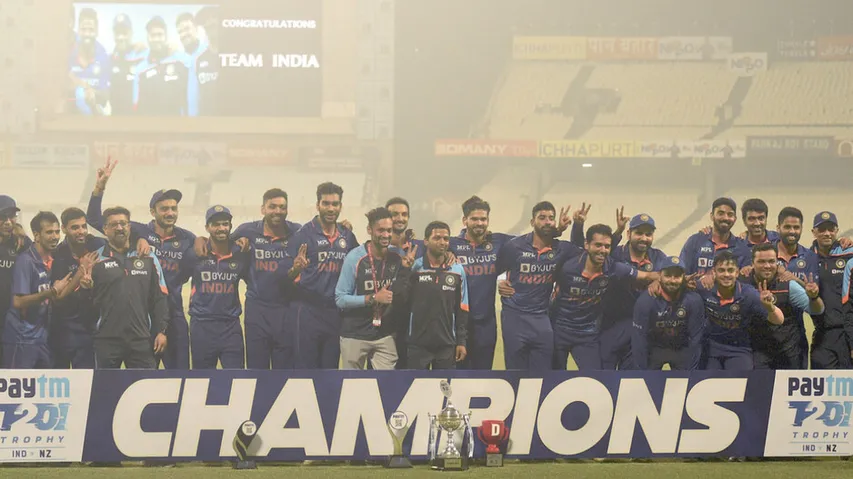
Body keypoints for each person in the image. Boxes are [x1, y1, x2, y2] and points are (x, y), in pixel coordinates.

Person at [87, 158, 194, 369]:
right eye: (164, 208)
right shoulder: (140, 231)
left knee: (178, 373)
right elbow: (95, 219)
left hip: (172, 312)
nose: (170, 213)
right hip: (141, 317)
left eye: (173, 208)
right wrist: (100, 187)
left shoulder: (188, 238)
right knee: (144, 373)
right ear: (153, 212)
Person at [550, 224, 658, 370]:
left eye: (607, 246)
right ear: (587, 245)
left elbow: (646, 276)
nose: (602, 250)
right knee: (554, 378)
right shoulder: (567, 266)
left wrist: (659, 279)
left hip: (587, 335)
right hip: (559, 331)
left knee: (596, 379)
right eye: (598, 245)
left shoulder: (614, 268)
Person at [495, 201, 576, 370]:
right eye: (542, 218)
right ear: (532, 222)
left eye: (551, 218)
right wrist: (500, 282)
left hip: (541, 318)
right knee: (515, 373)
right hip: (514, 316)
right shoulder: (514, 246)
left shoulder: (561, 249)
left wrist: (578, 224)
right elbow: (495, 270)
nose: (547, 221)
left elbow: (584, 252)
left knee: (542, 374)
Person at [285, 182, 358, 369]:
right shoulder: (303, 235)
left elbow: (359, 265)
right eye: (326, 203)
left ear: (340, 206)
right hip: (307, 310)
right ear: (318, 205)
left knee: (330, 369)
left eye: (335, 204)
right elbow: (285, 277)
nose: (331, 208)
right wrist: (296, 269)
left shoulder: (347, 236)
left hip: (335, 313)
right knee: (305, 370)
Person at [86, 206, 168, 369]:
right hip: (107, 340)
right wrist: (86, 288)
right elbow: (88, 302)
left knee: (146, 383)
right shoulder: (95, 259)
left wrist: (161, 331)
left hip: (141, 339)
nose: (119, 228)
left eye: (123, 223)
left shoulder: (148, 257)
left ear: (129, 227)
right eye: (114, 224)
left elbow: (160, 296)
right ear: (105, 229)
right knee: (106, 384)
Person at [335, 207, 416, 370]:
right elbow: (340, 298)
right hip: (355, 333)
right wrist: (372, 298)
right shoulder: (355, 258)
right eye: (381, 230)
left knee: (386, 382)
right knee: (352, 383)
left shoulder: (397, 257)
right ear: (369, 230)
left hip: (384, 335)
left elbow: (401, 293)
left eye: (389, 230)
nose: (386, 235)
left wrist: (406, 269)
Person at [4, 212, 83, 368]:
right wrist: (52, 291)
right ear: (37, 235)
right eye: (49, 232)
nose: (55, 237)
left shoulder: (53, 260)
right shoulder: (26, 261)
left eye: (57, 232)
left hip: (43, 338)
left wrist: (80, 273)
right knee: (20, 383)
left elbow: (57, 295)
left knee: (45, 383)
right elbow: (18, 302)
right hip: (21, 338)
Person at [450, 196, 513, 370]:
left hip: (486, 323)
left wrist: (508, 280)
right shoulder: (452, 245)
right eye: (474, 219)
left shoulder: (499, 242)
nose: (480, 223)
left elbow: (529, 245)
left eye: (483, 219)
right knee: (458, 376)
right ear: (465, 220)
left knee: (484, 375)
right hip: (457, 323)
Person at [599, 213, 668, 370]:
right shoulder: (615, 254)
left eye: (648, 234)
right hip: (611, 326)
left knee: (631, 378)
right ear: (629, 234)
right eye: (639, 233)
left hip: (640, 329)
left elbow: (672, 277)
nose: (644, 238)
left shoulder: (658, 257)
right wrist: (651, 277)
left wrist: (659, 280)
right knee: (605, 377)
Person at [696, 250, 784, 370]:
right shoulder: (704, 288)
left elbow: (779, 320)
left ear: (737, 272)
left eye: (730, 270)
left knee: (741, 378)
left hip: (739, 349)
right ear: (714, 272)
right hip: (711, 348)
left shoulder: (748, 294)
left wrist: (770, 307)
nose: (726, 274)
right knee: (708, 379)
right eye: (721, 270)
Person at [743, 243, 823, 369]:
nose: (767, 266)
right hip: (757, 353)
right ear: (752, 263)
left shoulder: (788, 285)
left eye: (771, 261)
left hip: (789, 352)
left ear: (777, 263)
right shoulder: (743, 285)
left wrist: (814, 297)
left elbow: (817, 310)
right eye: (761, 262)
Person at [187, 206, 249, 369]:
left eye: (225, 224)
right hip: (202, 325)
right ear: (207, 227)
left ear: (230, 226)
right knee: (202, 378)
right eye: (216, 224)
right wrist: (198, 239)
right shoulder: (196, 253)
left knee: (236, 377)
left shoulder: (240, 253)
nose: (221, 228)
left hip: (230, 326)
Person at [402, 221, 469, 370]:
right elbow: (402, 301)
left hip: (446, 345)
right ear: (426, 241)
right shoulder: (415, 267)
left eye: (446, 239)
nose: (442, 242)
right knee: (416, 385)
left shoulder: (457, 270)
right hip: (417, 344)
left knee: (445, 385)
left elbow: (462, 309)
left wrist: (461, 342)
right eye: (437, 238)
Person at [49, 208, 105, 369]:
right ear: (64, 229)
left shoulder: (97, 245)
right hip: (62, 328)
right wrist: (81, 271)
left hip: (89, 327)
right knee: (59, 379)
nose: (81, 231)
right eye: (75, 227)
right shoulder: (57, 254)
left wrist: (140, 239)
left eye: (83, 226)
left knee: (86, 379)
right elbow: (58, 297)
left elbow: (121, 237)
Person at [632, 256, 704, 370]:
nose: (672, 280)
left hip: (681, 348)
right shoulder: (645, 301)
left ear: (683, 277)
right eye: (668, 275)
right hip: (655, 349)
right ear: (659, 276)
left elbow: (696, 339)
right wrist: (641, 373)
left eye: (677, 276)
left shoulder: (693, 300)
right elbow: (639, 339)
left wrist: (692, 373)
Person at [810, 211, 853, 369]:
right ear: (814, 232)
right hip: (823, 334)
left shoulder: (849, 253)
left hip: (848, 333)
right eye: (822, 229)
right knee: (821, 381)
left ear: (837, 230)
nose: (827, 233)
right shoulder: (807, 258)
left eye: (831, 229)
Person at [132, 16, 190, 116]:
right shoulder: (140, 69)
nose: (156, 39)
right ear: (147, 38)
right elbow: (136, 104)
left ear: (166, 36)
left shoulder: (181, 60)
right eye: (153, 35)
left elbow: (191, 96)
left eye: (160, 34)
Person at [680, 197, 749, 276]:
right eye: (720, 213)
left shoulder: (741, 247)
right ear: (712, 216)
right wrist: (698, 281)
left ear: (735, 219)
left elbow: (744, 279)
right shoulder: (695, 241)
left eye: (730, 214)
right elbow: (681, 274)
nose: (725, 218)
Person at [0, 196, 32, 353]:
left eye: (11, 216)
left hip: (13, 317)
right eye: (2, 217)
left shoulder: (22, 242)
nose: (8, 222)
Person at [68, 8, 110, 115]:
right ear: (78, 30)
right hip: (70, 115)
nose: (87, 34)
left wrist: (92, 93)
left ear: (97, 31)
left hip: (93, 115)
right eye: (83, 29)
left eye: (91, 30)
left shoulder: (103, 56)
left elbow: (105, 95)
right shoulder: (69, 50)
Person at [108, 14, 146, 116]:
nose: (121, 37)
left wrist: (169, 47)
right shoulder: (109, 60)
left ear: (131, 33)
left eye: (124, 33)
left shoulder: (142, 57)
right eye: (117, 33)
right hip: (116, 120)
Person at [192, 6, 220, 116]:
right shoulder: (199, 60)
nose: (210, 21)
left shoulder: (234, 55)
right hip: (206, 122)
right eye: (206, 20)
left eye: (214, 17)